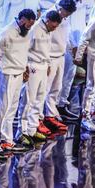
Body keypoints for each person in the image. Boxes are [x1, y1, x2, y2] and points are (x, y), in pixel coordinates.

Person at [0, 9, 37, 156]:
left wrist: (26, 68)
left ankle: (7, 139)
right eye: (28, 24)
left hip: (19, 73)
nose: (29, 27)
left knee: (12, 109)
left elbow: (24, 52)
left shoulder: (26, 32)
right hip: (6, 74)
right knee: (2, 108)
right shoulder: (7, 32)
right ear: (22, 19)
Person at [17, 10, 61, 142]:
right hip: (33, 67)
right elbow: (24, 49)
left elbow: (46, 50)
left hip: (42, 67)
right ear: (47, 21)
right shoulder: (35, 30)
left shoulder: (48, 31)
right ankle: (22, 131)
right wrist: (25, 67)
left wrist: (47, 64)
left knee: (40, 99)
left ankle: (32, 128)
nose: (55, 29)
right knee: (28, 100)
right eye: (53, 26)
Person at [55, 0, 92, 121]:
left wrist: (82, 43)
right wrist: (72, 46)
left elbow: (81, 22)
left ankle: (62, 104)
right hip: (67, 44)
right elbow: (66, 26)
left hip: (77, 42)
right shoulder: (66, 0)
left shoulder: (80, 1)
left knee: (70, 75)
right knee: (61, 77)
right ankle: (55, 106)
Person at [42, 0, 77, 130]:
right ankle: (42, 116)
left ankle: (51, 114)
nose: (66, 16)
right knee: (45, 88)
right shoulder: (49, 17)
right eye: (66, 12)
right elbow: (45, 40)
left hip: (61, 56)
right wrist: (46, 60)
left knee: (56, 87)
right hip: (50, 57)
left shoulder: (66, 20)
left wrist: (73, 47)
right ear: (60, 7)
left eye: (69, 14)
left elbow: (67, 36)